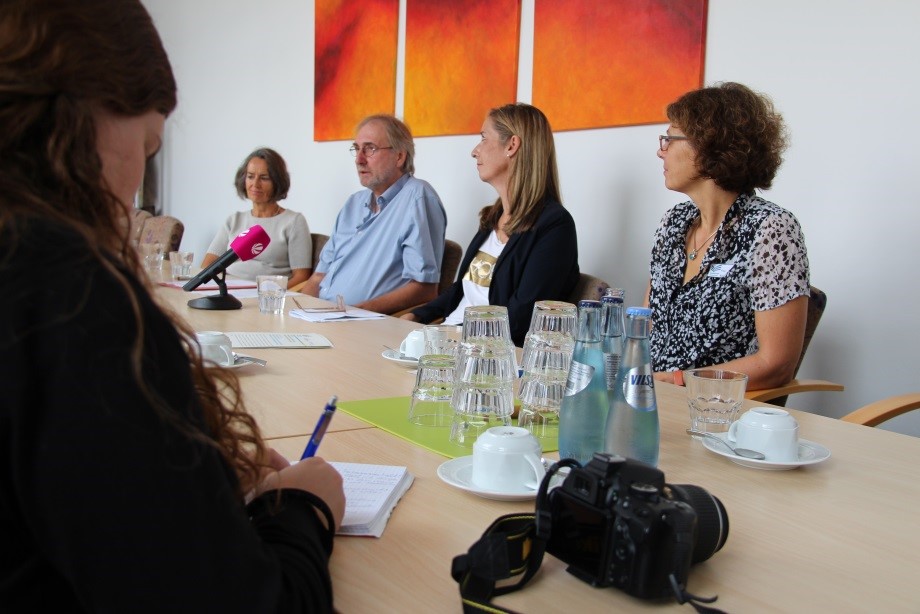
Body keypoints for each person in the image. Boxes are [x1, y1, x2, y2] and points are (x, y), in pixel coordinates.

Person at [0, 1, 344, 611]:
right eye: (147, 143)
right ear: (86, 111)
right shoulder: (73, 297)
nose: (136, 183)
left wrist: (176, 475)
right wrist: (303, 509)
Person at [646, 82, 810, 390]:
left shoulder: (771, 229)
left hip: (717, 410)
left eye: (669, 138)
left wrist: (681, 381)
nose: (660, 150)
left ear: (709, 145)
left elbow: (776, 365)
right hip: (653, 399)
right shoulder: (674, 223)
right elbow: (648, 327)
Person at [404, 103, 579, 346]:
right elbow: (461, 291)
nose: (475, 151)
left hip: (486, 356)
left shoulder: (555, 227)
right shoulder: (492, 217)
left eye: (484, 138)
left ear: (512, 145)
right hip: (450, 339)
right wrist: (416, 315)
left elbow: (521, 319)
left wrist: (450, 338)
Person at [299, 115, 447, 314]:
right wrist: (295, 313)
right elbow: (318, 277)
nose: (359, 159)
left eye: (370, 148)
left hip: (364, 324)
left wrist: (353, 312)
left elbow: (424, 289)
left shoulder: (417, 198)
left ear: (399, 156)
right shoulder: (353, 203)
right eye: (356, 148)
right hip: (323, 317)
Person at [202, 148, 312, 289]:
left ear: (277, 181)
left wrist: (267, 294)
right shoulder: (234, 220)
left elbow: (301, 277)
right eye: (250, 176)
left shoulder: (294, 221)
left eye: (264, 178)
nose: (255, 184)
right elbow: (207, 265)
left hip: (266, 299)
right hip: (227, 293)